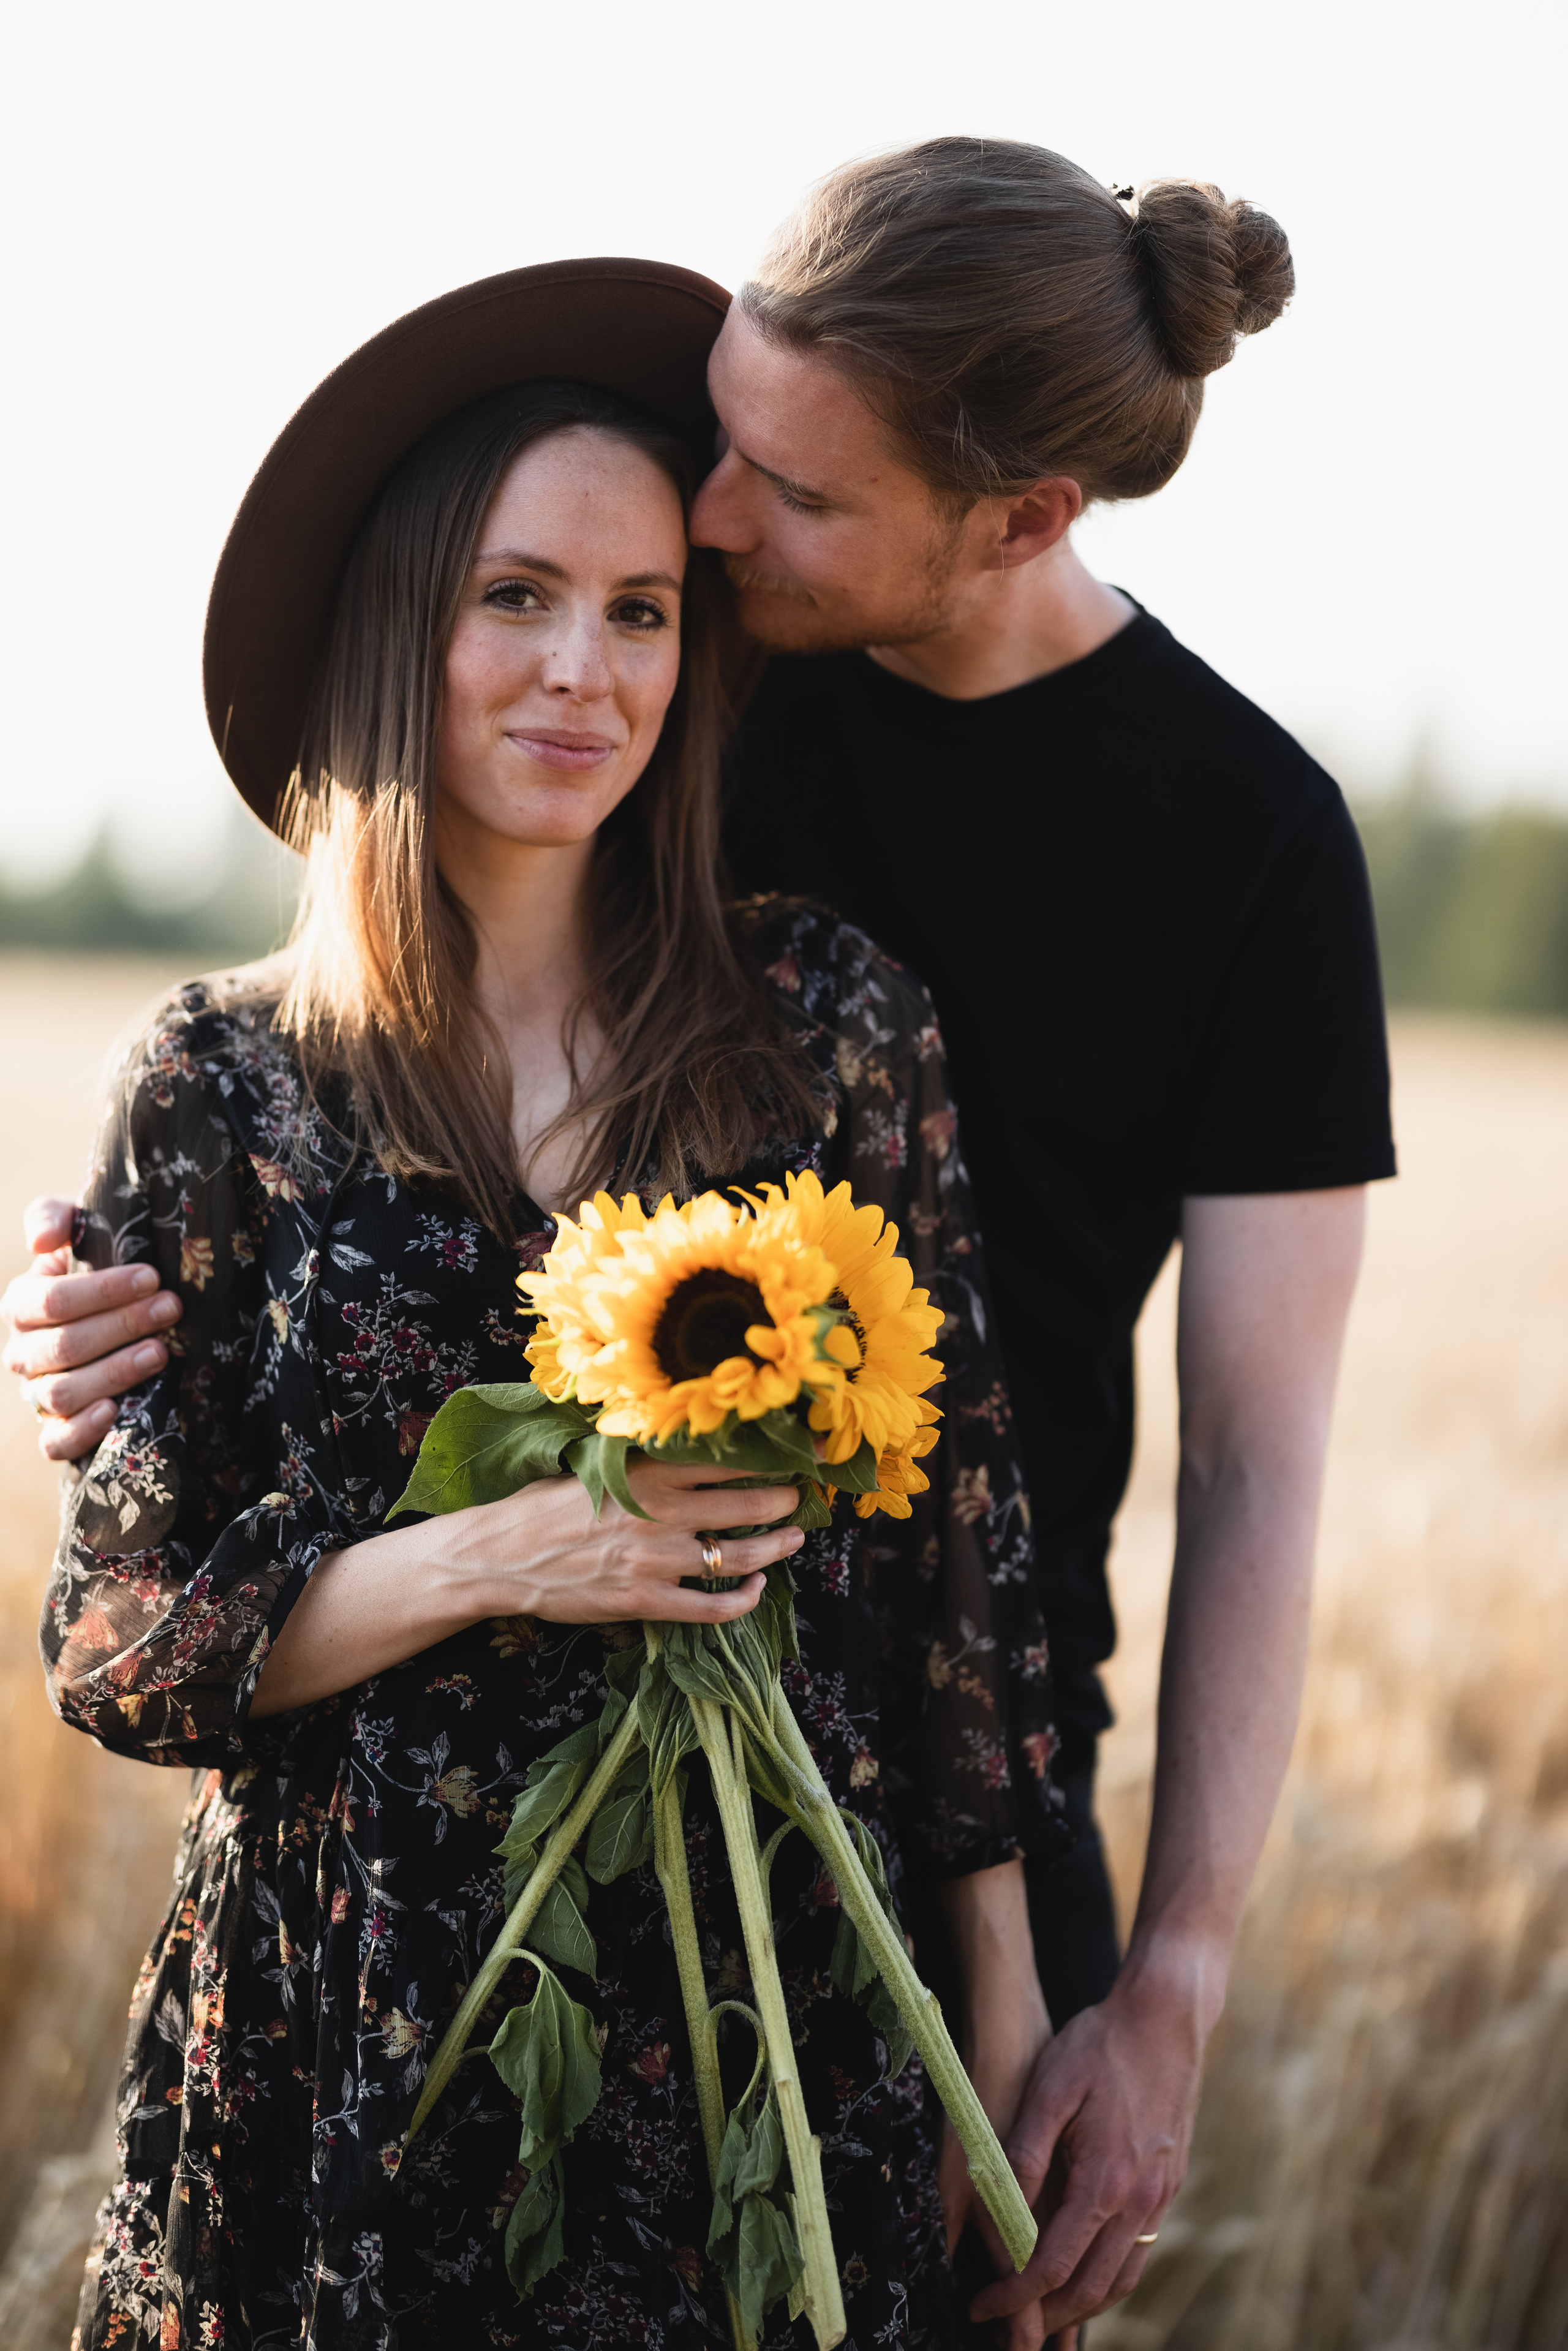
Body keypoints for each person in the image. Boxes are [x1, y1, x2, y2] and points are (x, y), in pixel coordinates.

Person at [6, 137, 1395, 2342]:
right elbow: (149, 1570)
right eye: (710, 461)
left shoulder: (1184, 870)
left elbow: (1232, 1461)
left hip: (860, 1849)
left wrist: (1131, 1975)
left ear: (1017, 521)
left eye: (756, 518)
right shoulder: (605, 718)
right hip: (359, 1957)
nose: (706, 543)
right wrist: (98, 1290)